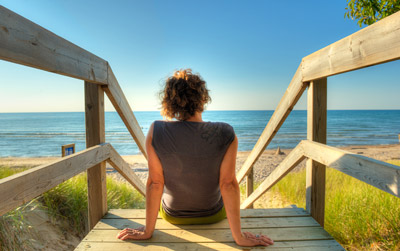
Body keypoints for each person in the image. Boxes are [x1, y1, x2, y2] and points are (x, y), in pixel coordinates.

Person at [117, 69, 274, 247]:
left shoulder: (156, 130)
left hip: (173, 216)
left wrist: (147, 231)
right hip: (213, 215)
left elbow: (155, 183)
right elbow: (228, 184)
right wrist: (239, 237)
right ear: (203, 98)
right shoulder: (225, 132)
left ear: (170, 102)